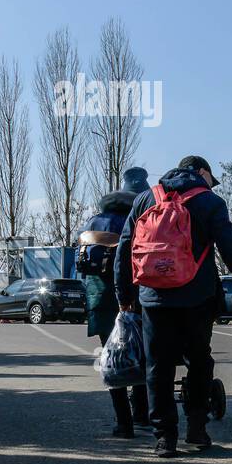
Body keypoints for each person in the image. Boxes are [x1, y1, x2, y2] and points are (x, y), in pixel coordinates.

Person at [116, 156, 232, 458]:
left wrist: (124, 295)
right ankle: (197, 429)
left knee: (158, 366)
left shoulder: (147, 198)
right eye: (212, 178)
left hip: (153, 298)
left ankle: (164, 438)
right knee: (199, 360)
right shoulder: (209, 202)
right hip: (197, 299)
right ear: (200, 172)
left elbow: (125, 247)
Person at [79, 167, 150, 438]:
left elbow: (83, 266)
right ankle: (142, 414)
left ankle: (124, 422)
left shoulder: (94, 222)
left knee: (113, 356)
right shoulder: (143, 220)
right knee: (139, 353)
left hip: (100, 301)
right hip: (138, 298)